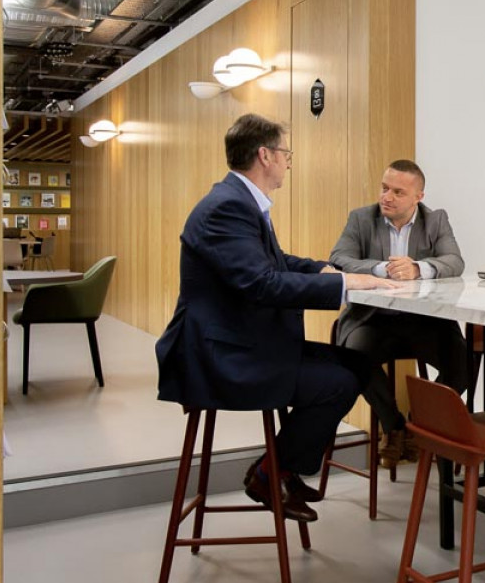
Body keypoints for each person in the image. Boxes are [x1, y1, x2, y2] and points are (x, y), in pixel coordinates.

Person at [155, 113, 398, 523]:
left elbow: (275, 262)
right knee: (337, 383)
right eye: (286, 153)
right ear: (264, 155)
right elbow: (262, 284)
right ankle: (270, 473)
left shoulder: (240, 201)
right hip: (221, 357)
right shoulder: (228, 207)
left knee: (358, 363)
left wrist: (326, 271)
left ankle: (278, 469)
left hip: (245, 342)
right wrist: (346, 286)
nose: (288, 161)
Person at [329, 159, 468, 469]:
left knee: (464, 361)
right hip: (372, 319)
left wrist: (419, 268)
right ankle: (394, 427)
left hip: (424, 320)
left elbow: (455, 261)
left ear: (418, 196)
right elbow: (338, 258)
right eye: (384, 188)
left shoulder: (436, 220)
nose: (386, 197)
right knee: (354, 358)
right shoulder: (362, 219)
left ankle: (419, 425)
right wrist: (382, 269)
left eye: (397, 192)